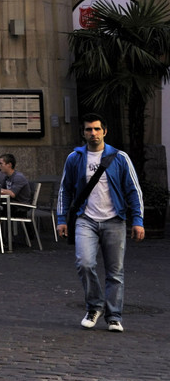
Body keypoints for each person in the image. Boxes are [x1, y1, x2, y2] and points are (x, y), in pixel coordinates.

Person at [57, 114, 145, 332]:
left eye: (97, 129)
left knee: (115, 272)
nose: (93, 133)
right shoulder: (75, 158)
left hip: (114, 220)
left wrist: (138, 220)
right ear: (83, 133)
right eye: (89, 130)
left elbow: (133, 190)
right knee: (84, 263)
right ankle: (94, 307)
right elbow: (64, 190)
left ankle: (114, 316)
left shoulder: (119, 157)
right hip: (85, 219)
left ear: (104, 131)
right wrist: (61, 219)